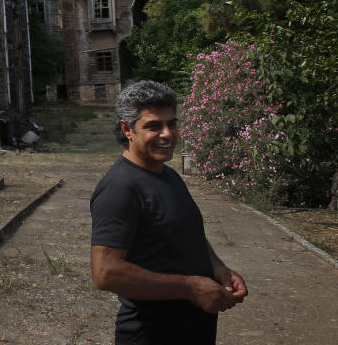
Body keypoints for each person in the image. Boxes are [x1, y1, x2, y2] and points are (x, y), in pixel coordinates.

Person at [90, 80, 248, 345]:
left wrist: (219, 268)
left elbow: (185, 231)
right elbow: (106, 272)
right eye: (153, 126)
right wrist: (189, 287)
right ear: (127, 129)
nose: (167, 134)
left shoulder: (168, 175)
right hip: (152, 334)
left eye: (171, 123)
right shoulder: (120, 188)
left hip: (191, 330)